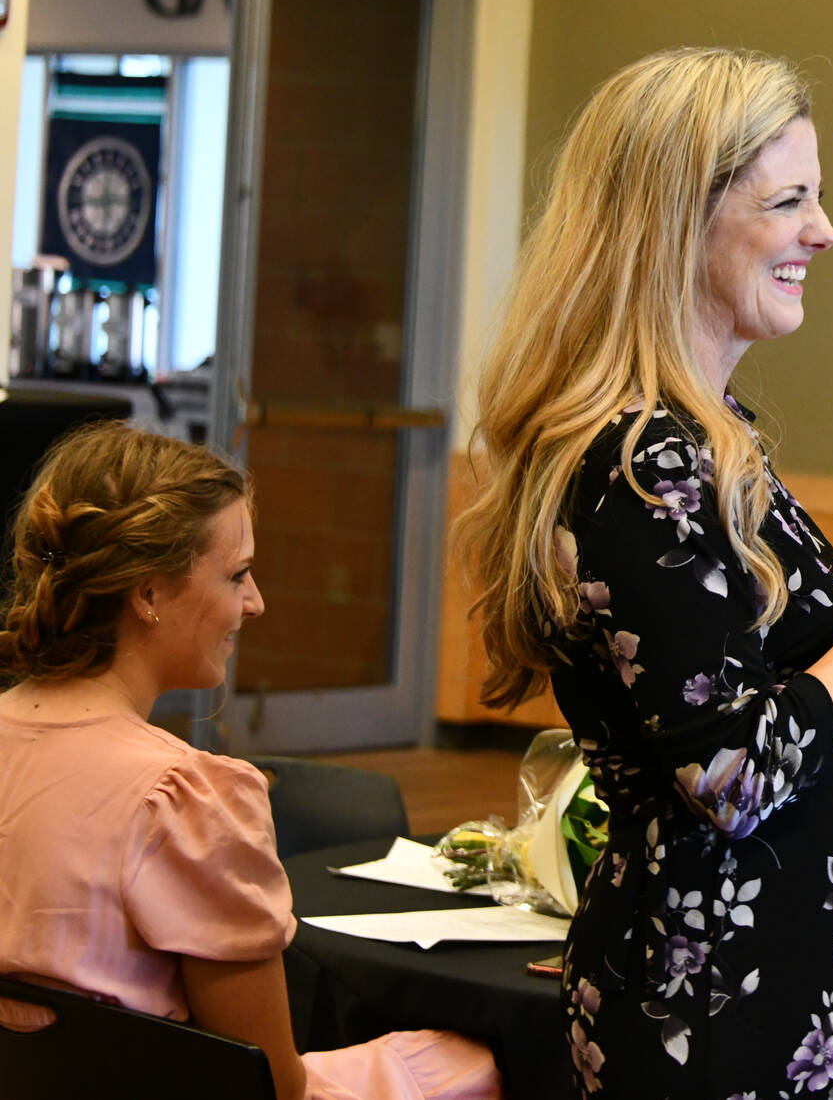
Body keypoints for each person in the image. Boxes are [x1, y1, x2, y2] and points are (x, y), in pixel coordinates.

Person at [457, 49, 833, 1098]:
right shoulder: (644, 460)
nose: (824, 233)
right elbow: (732, 776)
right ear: (675, 224)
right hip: (710, 1004)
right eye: (788, 202)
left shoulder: (703, 436)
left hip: (769, 982)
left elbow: (749, 674)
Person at [0, 421, 500, 1100]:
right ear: (147, 595)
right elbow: (270, 1084)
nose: (255, 602)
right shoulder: (182, 796)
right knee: (476, 1062)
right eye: (236, 575)